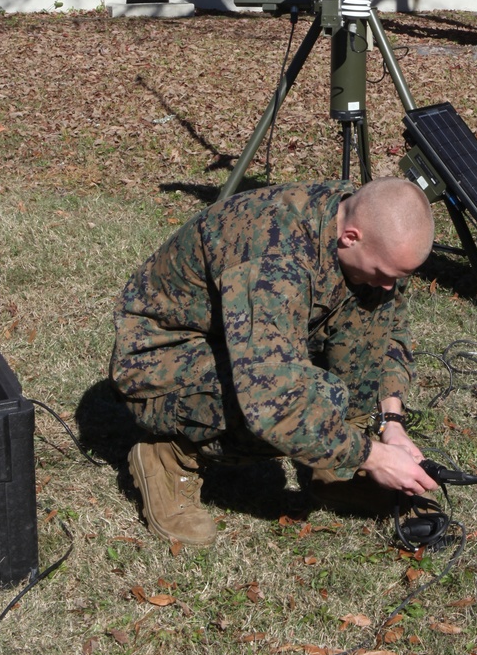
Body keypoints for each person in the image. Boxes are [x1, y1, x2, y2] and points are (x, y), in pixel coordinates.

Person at [109, 176, 437, 547]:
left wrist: (390, 423)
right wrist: (373, 457)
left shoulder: (364, 226)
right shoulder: (274, 257)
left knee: (371, 303)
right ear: (351, 237)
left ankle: (334, 467)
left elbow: (391, 331)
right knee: (314, 399)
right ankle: (169, 455)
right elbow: (273, 403)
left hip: (236, 339)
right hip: (162, 361)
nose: (389, 286)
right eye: (384, 272)